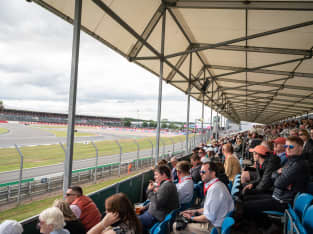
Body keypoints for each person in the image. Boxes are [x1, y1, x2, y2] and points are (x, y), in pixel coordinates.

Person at [242, 136, 310, 229]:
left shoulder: (298, 165)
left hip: (283, 201)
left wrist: (279, 176)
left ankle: (266, 227)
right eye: (286, 146)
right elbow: (273, 176)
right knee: (246, 198)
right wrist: (278, 175)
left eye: (291, 147)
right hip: (278, 196)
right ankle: (266, 226)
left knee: (246, 205)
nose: (287, 149)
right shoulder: (291, 161)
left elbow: (278, 183)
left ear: (300, 148)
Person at [173, 162, 234, 233]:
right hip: (216, 222)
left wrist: (191, 218)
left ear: (213, 173)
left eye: (203, 172)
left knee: (176, 226)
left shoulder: (214, 189)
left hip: (214, 228)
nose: (201, 174)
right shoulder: (218, 185)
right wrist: (195, 211)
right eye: (200, 172)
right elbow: (210, 209)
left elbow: (208, 218)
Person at [139, 164, 179, 233]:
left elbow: (157, 204)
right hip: (153, 213)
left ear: (163, 175)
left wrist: (149, 191)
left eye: (156, 175)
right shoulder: (166, 184)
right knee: (135, 212)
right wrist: (145, 207)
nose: (154, 177)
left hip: (155, 216)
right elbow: (157, 201)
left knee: (132, 220)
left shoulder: (166, 186)